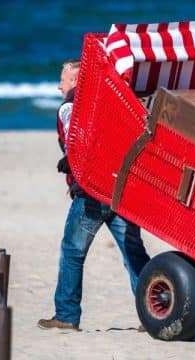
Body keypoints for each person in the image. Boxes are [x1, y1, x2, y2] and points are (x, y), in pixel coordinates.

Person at [38, 59, 151, 332]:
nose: (59, 85)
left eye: (63, 79)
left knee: (72, 251)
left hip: (92, 191)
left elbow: (75, 135)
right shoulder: (104, 104)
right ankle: (153, 312)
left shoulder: (69, 107)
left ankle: (66, 315)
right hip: (119, 188)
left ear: (76, 82)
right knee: (133, 253)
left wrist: (70, 157)